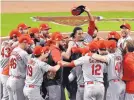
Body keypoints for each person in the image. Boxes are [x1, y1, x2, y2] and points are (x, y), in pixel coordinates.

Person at [6, 35, 32, 100]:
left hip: (9, 80)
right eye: (28, 44)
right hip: (18, 81)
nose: (29, 46)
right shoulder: (23, 53)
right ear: (24, 43)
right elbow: (31, 66)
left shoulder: (14, 50)